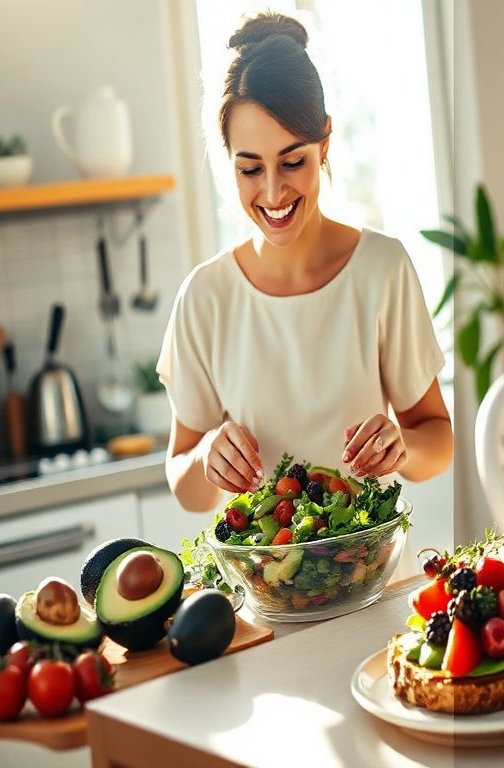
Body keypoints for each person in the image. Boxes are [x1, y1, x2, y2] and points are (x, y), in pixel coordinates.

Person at [158, 12, 452, 512]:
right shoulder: (206, 297)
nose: (273, 192)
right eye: (250, 169)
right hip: (260, 580)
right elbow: (183, 479)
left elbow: (436, 438)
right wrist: (207, 453)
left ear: (325, 145)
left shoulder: (381, 269)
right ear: (228, 160)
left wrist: (402, 446)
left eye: (293, 161)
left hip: (365, 566)